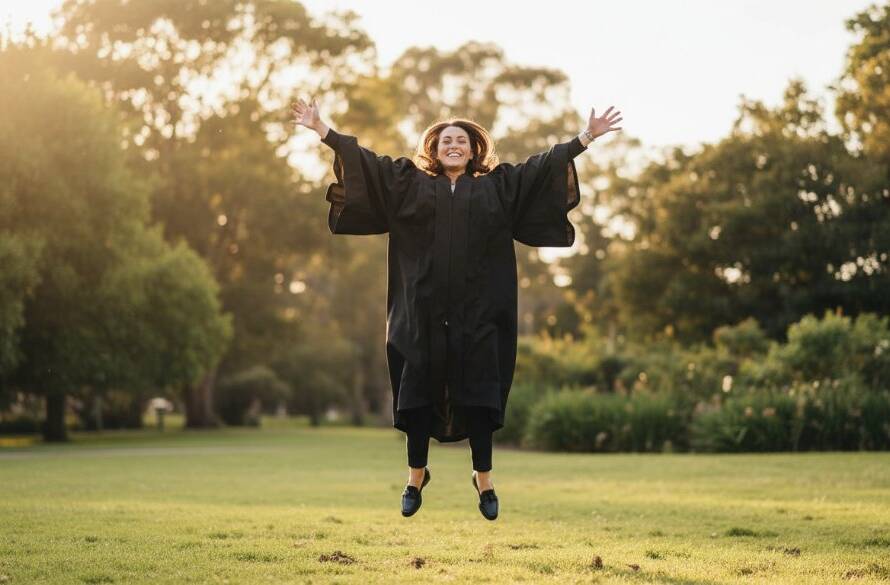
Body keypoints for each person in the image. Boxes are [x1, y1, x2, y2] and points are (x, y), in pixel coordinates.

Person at [291, 98, 622, 520]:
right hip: (421, 315)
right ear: (434, 147)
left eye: (461, 141)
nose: (453, 145)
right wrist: (323, 129)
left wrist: (586, 137)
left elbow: (540, 168)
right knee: (415, 397)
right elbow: (366, 163)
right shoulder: (409, 183)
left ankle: (483, 481)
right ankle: (415, 478)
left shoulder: (496, 187)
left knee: (481, 397)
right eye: (446, 140)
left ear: (473, 150)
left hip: (479, 316)